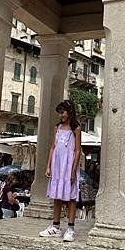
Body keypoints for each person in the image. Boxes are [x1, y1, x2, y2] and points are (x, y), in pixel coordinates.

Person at [40, 99, 81, 242]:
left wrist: (73, 170)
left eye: (62, 112)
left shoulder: (76, 129)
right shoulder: (57, 127)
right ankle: (55, 227)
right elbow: (53, 147)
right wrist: (48, 165)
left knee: (71, 198)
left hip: (69, 165)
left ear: (69, 112)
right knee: (57, 196)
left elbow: (77, 150)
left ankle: (70, 228)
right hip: (58, 165)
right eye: (60, 113)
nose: (61, 115)